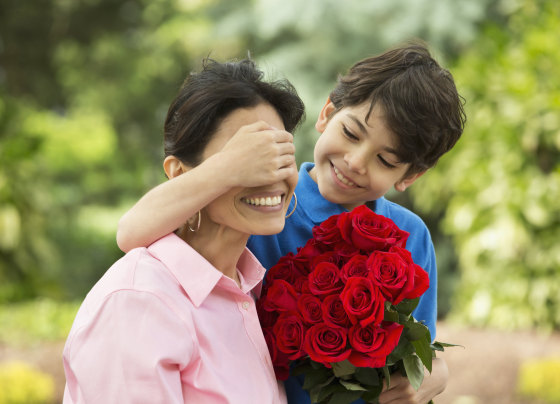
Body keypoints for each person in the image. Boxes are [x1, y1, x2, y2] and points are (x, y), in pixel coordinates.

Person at [116, 41, 466, 404]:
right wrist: (227, 167)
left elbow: (418, 355)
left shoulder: (411, 238)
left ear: (410, 176)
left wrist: (431, 372)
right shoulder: (258, 209)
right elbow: (130, 232)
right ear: (327, 113)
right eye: (351, 134)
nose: (356, 162)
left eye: (386, 160)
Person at [62, 58, 306, 404]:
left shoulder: (251, 288)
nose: (270, 175)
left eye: (279, 155)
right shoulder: (139, 301)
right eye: (248, 155)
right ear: (179, 173)